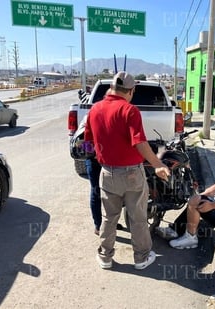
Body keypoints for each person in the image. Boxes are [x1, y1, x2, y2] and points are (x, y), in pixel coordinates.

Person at [84, 71, 170, 270]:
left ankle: (105, 256)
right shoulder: (130, 110)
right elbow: (139, 142)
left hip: (107, 173)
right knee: (138, 217)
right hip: (132, 174)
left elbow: (86, 144)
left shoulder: (95, 109)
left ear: (111, 88)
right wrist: (158, 164)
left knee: (108, 217)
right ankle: (141, 258)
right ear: (131, 91)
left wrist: (100, 155)